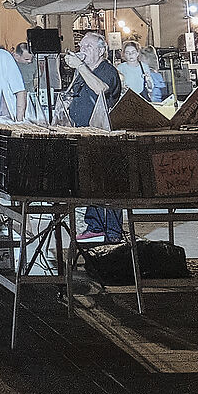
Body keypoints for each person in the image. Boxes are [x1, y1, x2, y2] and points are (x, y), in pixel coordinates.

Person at [63, 30, 126, 243]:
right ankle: (95, 225)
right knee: (92, 182)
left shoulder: (107, 70)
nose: (83, 51)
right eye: (81, 47)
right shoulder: (85, 70)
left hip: (104, 137)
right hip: (84, 133)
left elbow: (100, 89)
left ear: (101, 50)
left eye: (88, 47)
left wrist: (80, 66)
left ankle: (114, 232)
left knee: (109, 184)